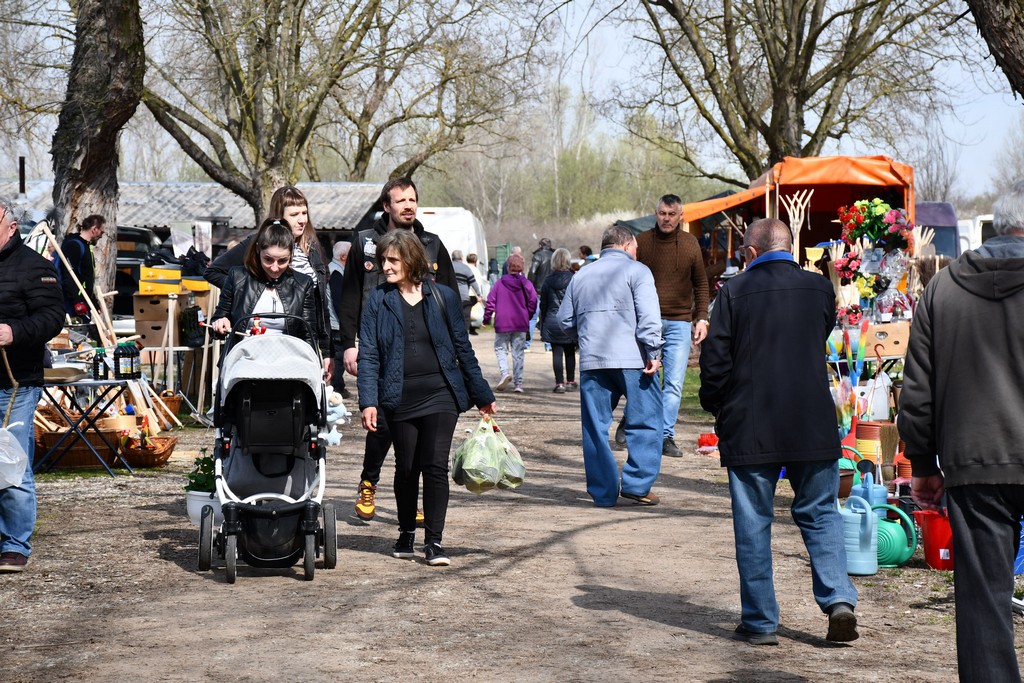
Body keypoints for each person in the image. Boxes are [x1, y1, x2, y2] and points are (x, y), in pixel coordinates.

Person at [698, 218, 858, 646]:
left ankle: (761, 622)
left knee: (754, 522)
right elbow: (817, 336)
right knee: (821, 513)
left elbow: (715, 361)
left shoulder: (732, 292)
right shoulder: (821, 289)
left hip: (752, 422)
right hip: (811, 420)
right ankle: (839, 599)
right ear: (790, 246)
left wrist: (716, 404)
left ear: (750, 252)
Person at [899, 182, 1024, 682]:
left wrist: (924, 467)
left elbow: (917, 394)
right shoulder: (941, 289)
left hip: (974, 463)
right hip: (980, 459)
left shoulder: (942, 289)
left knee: (984, 601)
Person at [357, 230, 496, 566]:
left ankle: (434, 542)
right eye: (383, 260)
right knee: (407, 468)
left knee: (434, 466)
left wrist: (481, 394)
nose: (385, 267)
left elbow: (463, 348)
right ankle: (406, 531)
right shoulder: (379, 299)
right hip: (398, 395)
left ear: (411, 259)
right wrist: (369, 400)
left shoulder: (443, 297)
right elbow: (370, 354)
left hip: (440, 393)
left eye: (392, 260)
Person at [339, 177, 457, 521]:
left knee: (421, 432)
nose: (408, 205)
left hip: (424, 356)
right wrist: (348, 345)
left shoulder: (433, 245)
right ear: (387, 206)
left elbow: (449, 297)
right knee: (383, 425)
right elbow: (349, 297)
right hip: (379, 350)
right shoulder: (364, 243)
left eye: (412, 199)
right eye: (400, 200)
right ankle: (369, 480)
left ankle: (414, 495)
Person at [556, 225, 664, 507]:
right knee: (646, 421)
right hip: (635, 360)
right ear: (628, 245)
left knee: (595, 427)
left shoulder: (581, 275)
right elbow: (649, 316)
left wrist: (582, 340)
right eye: (636, 248)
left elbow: (564, 320)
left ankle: (603, 492)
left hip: (594, 360)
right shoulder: (638, 271)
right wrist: (653, 350)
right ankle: (637, 484)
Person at [205, 186, 333, 377]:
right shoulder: (255, 243)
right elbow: (215, 272)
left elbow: (320, 307)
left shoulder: (311, 249)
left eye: (305, 213)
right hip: (251, 352)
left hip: (294, 349)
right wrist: (242, 291)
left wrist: (326, 350)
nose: (302, 219)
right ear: (280, 216)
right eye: (295, 214)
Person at [0, 197, 65, 573]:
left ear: (11, 227)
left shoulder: (35, 267)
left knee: (12, 462)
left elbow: (52, 317)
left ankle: (14, 544)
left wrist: (14, 331)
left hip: (17, 383)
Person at [636, 194, 710, 457]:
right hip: (648, 322)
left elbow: (701, 283)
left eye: (671, 214)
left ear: (681, 217)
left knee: (674, 382)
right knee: (646, 379)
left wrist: (701, 317)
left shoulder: (690, 244)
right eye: (662, 213)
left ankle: (666, 435)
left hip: (679, 322)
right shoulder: (642, 242)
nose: (666, 218)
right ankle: (639, 427)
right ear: (656, 213)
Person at [208, 220, 328, 356]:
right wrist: (220, 323)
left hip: (287, 359)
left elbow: (308, 334)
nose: (275, 267)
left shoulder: (302, 283)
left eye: (283, 261)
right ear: (258, 249)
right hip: (244, 357)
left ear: (291, 255)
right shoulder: (237, 277)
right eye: (268, 259)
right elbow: (216, 323)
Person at [483, 252, 536, 393]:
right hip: (520, 323)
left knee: (501, 349)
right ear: (522, 267)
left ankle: (505, 373)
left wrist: (486, 319)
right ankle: (518, 384)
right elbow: (533, 301)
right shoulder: (527, 284)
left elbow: (490, 302)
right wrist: (527, 315)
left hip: (503, 322)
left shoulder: (500, 283)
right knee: (518, 353)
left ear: (508, 267)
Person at [539, 247, 577, 393]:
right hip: (570, 320)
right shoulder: (574, 279)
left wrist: (542, 322)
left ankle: (559, 383)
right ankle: (571, 380)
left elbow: (543, 304)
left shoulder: (548, 281)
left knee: (557, 352)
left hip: (552, 320)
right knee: (570, 351)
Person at [59, 214, 105, 321]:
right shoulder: (73, 245)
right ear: (94, 229)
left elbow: (86, 279)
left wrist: (94, 303)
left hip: (83, 300)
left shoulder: (87, 247)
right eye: (101, 232)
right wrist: (76, 301)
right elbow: (69, 275)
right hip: (72, 303)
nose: (102, 236)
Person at [328, 240, 351, 398]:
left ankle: (338, 386)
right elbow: (338, 301)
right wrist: (346, 323)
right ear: (343, 257)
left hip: (335, 322)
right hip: (335, 323)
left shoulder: (334, 269)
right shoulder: (336, 273)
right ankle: (336, 388)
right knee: (339, 357)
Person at [526, 238, 555, 350]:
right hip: (551, 290)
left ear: (540, 245)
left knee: (533, 318)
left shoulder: (538, 256)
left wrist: (530, 286)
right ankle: (548, 345)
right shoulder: (554, 255)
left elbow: (532, 272)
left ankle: (527, 345)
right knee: (547, 317)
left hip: (538, 290)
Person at [451, 250, 483, 335]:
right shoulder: (466, 268)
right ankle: (464, 337)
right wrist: (479, 294)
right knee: (465, 318)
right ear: (461, 258)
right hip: (463, 297)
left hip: (449, 297)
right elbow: (473, 283)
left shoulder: (447, 267)